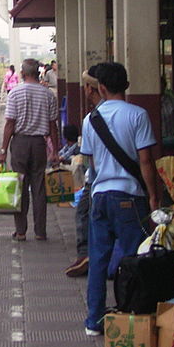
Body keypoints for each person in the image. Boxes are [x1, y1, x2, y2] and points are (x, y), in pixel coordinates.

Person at [80, 62, 158, 336]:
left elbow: (92, 163)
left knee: (98, 258)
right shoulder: (138, 115)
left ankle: (94, 321)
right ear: (125, 85)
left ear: (100, 87)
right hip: (129, 197)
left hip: (100, 196)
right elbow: (146, 161)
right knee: (131, 259)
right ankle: (130, 315)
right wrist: (152, 196)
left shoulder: (90, 120)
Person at [0, 58, 59, 241]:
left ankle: (21, 231)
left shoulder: (15, 94)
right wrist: (55, 151)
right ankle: (40, 232)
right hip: (39, 144)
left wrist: (2, 150)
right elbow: (52, 125)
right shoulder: (48, 95)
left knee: (20, 187)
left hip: (20, 145)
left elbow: (9, 124)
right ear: (38, 73)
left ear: (23, 74)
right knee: (39, 188)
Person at [64, 65, 103, 278]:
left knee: (84, 213)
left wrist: (93, 182)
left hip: (99, 180)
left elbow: (90, 158)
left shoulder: (92, 119)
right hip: (128, 183)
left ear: (91, 88)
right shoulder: (136, 113)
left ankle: (86, 255)